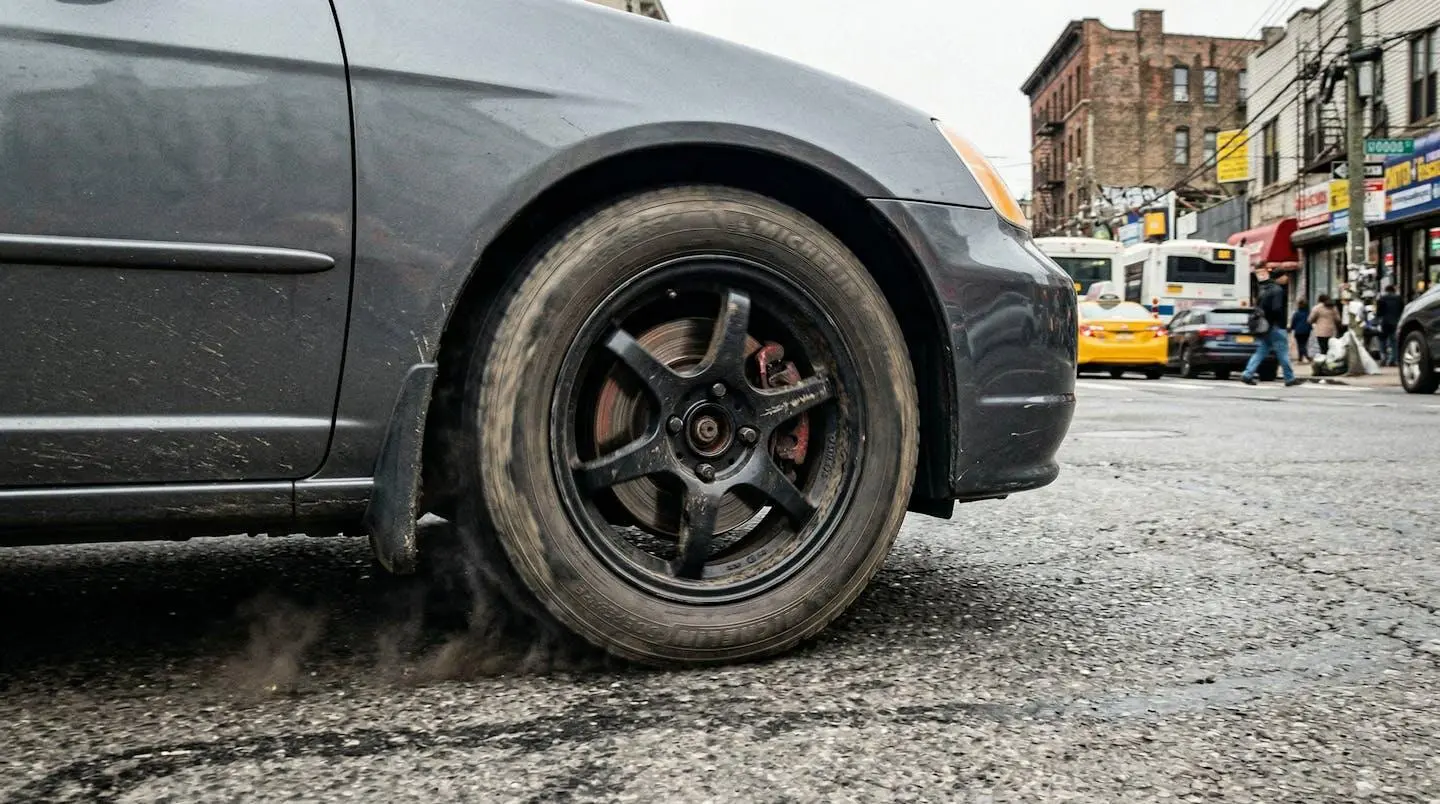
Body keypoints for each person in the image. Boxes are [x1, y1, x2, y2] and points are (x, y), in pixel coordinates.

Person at [1243, 270, 1304, 386]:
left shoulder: (1264, 289)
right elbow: (1276, 309)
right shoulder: (1278, 290)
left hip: (1264, 326)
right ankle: (1289, 378)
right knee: (1283, 352)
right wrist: (1279, 323)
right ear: (1279, 277)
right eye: (1285, 276)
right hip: (1275, 327)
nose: (1287, 278)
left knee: (1261, 351)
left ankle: (1247, 374)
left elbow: (1259, 307)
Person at [1376, 284, 1404, 366]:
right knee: (1394, 341)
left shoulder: (1382, 298)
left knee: (1382, 340)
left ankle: (1383, 358)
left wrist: (1378, 320)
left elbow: (1379, 312)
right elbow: (1402, 309)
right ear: (1393, 290)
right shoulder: (1399, 298)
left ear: (1386, 290)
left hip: (1384, 322)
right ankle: (1394, 359)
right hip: (1395, 322)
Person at [1309, 293, 1340, 358]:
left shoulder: (1317, 307)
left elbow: (1310, 319)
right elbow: (1338, 319)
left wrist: (1315, 321)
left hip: (1321, 332)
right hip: (1332, 332)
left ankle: (1324, 363)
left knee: (1323, 349)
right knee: (1331, 348)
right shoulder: (1333, 307)